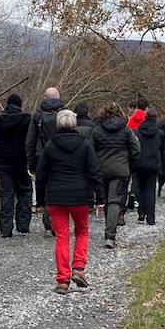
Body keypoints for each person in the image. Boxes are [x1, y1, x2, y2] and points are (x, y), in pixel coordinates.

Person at [35, 109, 101, 294]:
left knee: (62, 236)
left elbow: (41, 176)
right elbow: (94, 172)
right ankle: (79, 268)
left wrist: (40, 201)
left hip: (56, 197)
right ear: (74, 124)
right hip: (80, 196)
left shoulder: (50, 146)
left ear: (58, 124)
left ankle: (62, 280)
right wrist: (100, 197)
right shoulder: (85, 145)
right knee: (82, 231)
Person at [91, 102, 139, 250]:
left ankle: (108, 226)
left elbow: (90, 151)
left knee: (105, 200)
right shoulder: (126, 131)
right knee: (114, 202)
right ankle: (110, 235)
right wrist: (129, 164)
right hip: (120, 170)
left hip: (101, 171)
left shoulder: (97, 130)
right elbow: (136, 150)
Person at [0, 92, 31, 238]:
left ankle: (5, 229)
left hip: (4, 164)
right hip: (22, 163)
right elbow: (30, 143)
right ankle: (23, 226)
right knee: (25, 193)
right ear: (20, 105)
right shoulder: (27, 120)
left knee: (6, 195)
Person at [26, 87, 63, 235]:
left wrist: (29, 160)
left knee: (46, 187)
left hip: (42, 156)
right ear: (58, 97)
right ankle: (58, 221)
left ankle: (48, 220)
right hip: (61, 155)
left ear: (45, 98)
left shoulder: (37, 116)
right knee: (60, 186)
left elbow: (30, 140)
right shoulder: (64, 113)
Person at [133, 106, 163, 225]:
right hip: (153, 164)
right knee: (151, 189)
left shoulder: (137, 132)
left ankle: (141, 214)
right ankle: (151, 218)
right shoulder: (160, 133)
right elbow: (162, 150)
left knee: (141, 188)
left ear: (145, 117)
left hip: (139, 163)